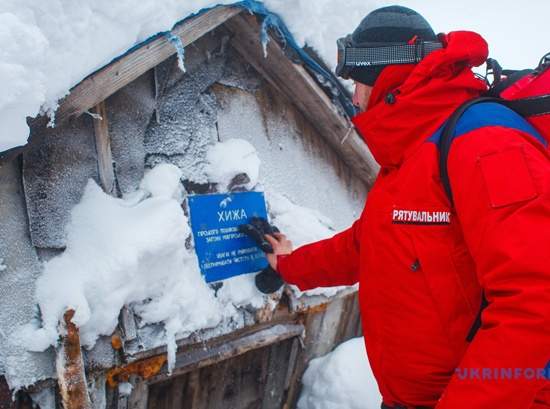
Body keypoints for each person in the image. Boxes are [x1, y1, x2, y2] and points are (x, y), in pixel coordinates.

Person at [263, 5, 550, 409]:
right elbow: (367, 246)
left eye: (356, 83)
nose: (354, 99)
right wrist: (291, 266)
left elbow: (536, 303)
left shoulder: (484, 142)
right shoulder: (411, 157)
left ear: (381, 76)